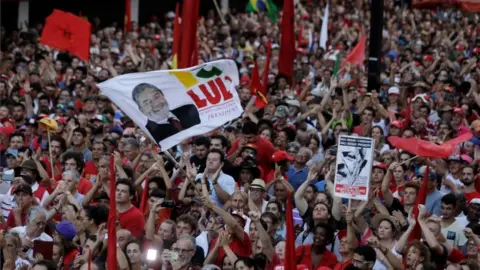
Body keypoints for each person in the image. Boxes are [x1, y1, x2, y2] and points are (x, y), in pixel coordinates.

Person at [132, 83, 200, 143]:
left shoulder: (188, 109)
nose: (156, 104)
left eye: (156, 97)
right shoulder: (149, 132)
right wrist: (144, 138)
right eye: (146, 103)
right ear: (141, 110)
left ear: (163, 95)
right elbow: (141, 142)